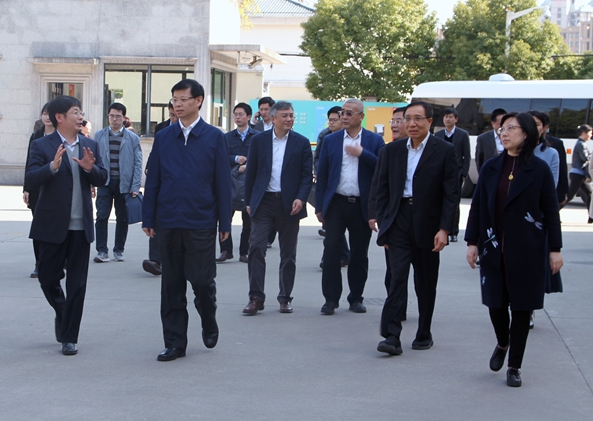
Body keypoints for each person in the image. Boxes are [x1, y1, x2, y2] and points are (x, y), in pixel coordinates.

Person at [465, 112, 563, 387]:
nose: (504, 133)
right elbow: (477, 207)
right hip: (493, 247)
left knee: (521, 308)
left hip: (528, 249)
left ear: (527, 133)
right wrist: (472, 242)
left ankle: (514, 366)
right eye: (503, 128)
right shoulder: (491, 167)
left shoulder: (539, 169)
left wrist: (555, 248)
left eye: (512, 128)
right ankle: (503, 342)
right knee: (495, 304)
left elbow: (551, 211)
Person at [143, 79, 232, 362]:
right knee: (171, 285)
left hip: (200, 221)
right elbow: (154, 179)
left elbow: (223, 182)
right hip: (168, 220)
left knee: (202, 281)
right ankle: (174, 343)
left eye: (183, 99)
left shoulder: (214, 137)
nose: (177, 105)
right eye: (174, 100)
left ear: (199, 101)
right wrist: (149, 216)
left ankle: (208, 317)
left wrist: (225, 223)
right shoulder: (164, 137)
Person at [25, 95, 108, 356]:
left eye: (80, 112)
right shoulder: (41, 145)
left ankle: (70, 337)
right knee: (48, 279)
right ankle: (63, 312)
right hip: (51, 225)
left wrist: (90, 169)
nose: (80, 116)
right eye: (75, 112)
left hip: (80, 226)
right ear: (59, 117)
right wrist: (51, 167)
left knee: (77, 284)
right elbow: (30, 178)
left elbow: (103, 178)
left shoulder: (90, 144)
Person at [374, 101, 458, 355]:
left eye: (417, 119)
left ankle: (424, 332)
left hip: (428, 224)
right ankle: (391, 336)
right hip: (398, 220)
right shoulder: (392, 150)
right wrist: (384, 224)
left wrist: (445, 229)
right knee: (397, 277)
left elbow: (451, 194)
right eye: (407, 118)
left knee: (425, 282)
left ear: (430, 122)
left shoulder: (444, 151)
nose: (411, 124)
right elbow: (381, 189)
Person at [315, 98, 384, 315]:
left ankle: (356, 298)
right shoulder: (331, 140)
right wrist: (319, 206)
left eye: (349, 113)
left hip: (362, 205)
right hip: (336, 203)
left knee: (359, 254)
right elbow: (322, 174)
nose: (344, 117)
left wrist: (362, 153)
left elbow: (382, 168)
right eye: (342, 113)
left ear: (361, 117)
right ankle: (330, 299)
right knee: (331, 251)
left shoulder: (374, 140)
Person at [242, 101, 313, 315]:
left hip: (289, 204)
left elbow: (306, 176)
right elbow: (251, 173)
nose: (289, 119)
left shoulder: (301, 143)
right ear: (273, 119)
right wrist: (248, 202)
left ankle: (285, 297)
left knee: (288, 253)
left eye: (291, 115)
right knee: (256, 248)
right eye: (285, 115)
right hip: (263, 202)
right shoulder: (259, 141)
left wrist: (301, 198)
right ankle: (256, 297)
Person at [93, 103, 143, 263]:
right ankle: (102, 251)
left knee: (122, 218)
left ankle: (119, 250)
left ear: (124, 118)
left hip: (124, 184)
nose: (114, 119)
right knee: (101, 216)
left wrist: (135, 186)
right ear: (108, 116)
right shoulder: (99, 135)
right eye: (112, 116)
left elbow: (138, 163)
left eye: (118, 116)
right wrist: (92, 182)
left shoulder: (132, 138)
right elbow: (93, 160)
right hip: (104, 182)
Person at [369, 106, 406, 296]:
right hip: (393, 220)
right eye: (393, 121)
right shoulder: (388, 150)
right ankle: (395, 305)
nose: (394, 125)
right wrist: (374, 213)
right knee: (394, 270)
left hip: (420, 220)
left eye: (399, 121)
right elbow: (378, 184)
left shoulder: (433, 150)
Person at [216, 103, 260, 263]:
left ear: (248, 117)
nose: (237, 117)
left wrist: (249, 165)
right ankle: (226, 250)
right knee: (225, 216)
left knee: (248, 220)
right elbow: (220, 157)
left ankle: (245, 251)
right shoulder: (226, 137)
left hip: (250, 183)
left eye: (241, 114)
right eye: (235, 114)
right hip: (230, 182)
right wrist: (235, 159)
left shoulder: (257, 136)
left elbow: (263, 157)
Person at [142, 101, 179, 275]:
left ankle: (171, 259)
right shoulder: (162, 129)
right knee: (156, 219)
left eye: (176, 115)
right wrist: (149, 166)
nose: (174, 118)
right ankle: (155, 260)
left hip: (178, 182)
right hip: (161, 179)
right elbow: (155, 152)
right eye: (171, 115)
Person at [313, 106, 350, 267]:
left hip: (345, 189)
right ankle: (329, 258)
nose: (332, 123)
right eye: (330, 120)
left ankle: (344, 254)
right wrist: (320, 172)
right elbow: (318, 158)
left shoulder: (351, 137)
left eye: (335, 120)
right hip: (328, 187)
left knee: (335, 228)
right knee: (331, 226)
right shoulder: (325, 136)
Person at [23, 103, 55, 278]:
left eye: (50, 114)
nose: (47, 117)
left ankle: (58, 260)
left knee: (56, 227)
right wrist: (27, 188)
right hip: (37, 188)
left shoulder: (62, 136)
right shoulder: (36, 136)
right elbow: (29, 163)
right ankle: (39, 263)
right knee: (38, 226)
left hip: (56, 187)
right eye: (44, 113)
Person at [435, 107, 471, 242]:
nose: (448, 119)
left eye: (450, 117)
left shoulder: (463, 134)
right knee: (439, 200)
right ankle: (440, 228)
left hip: (456, 173)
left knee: (454, 202)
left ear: (456, 119)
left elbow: (466, 155)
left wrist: (464, 173)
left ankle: (453, 231)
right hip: (441, 172)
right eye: (446, 117)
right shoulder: (438, 134)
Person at [565, 124, 592, 215]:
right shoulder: (581, 144)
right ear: (584, 133)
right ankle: (552, 212)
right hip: (578, 174)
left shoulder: (581, 143)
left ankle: (591, 216)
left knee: (589, 194)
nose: (591, 135)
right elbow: (585, 158)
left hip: (579, 174)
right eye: (590, 133)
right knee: (570, 196)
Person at [476, 108, 507, 173]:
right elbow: (479, 160)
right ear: (493, 124)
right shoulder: (483, 139)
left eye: (505, 123)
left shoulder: (511, 137)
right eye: (501, 123)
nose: (503, 126)